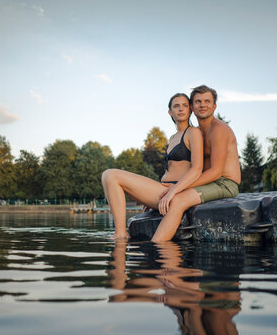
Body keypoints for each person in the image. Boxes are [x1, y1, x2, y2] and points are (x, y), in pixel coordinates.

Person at [101, 93, 204, 240]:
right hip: (163, 189)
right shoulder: (173, 137)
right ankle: (120, 232)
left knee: (111, 175)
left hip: (175, 191)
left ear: (190, 110)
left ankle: (120, 234)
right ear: (170, 112)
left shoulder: (193, 133)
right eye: (176, 106)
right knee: (107, 176)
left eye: (184, 105)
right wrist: (149, 195)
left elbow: (196, 169)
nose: (180, 109)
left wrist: (173, 191)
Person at [151, 85, 241, 242]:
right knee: (169, 195)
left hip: (225, 183)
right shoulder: (196, 132)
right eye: (198, 101)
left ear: (214, 106)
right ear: (192, 106)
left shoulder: (219, 129)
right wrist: (171, 187)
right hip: (207, 182)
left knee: (178, 200)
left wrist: (177, 188)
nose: (203, 105)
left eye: (207, 101)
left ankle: (157, 247)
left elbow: (216, 172)